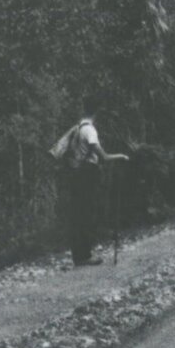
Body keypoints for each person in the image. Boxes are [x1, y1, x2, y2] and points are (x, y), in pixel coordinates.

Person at [52, 99, 128, 267]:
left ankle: (78, 256)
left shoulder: (78, 127)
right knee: (86, 214)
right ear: (97, 112)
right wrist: (121, 156)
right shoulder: (90, 130)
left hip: (76, 173)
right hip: (87, 174)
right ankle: (85, 256)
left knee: (77, 214)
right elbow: (104, 157)